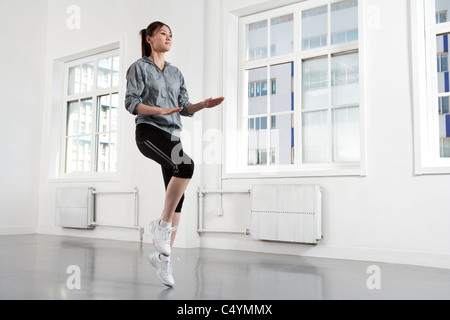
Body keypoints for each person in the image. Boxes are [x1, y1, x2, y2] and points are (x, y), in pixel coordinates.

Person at [125, 21, 224, 287]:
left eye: (171, 35)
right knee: (187, 166)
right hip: (149, 132)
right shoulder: (139, 67)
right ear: (149, 38)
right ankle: (161, 226)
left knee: (178, 196)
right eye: (163, 34)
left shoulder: (176, 73)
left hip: (172, 135)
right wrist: (159, 111)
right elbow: (131, 103)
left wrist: (202, 105)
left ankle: (163, 258)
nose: (168, 38)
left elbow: (183, 107)